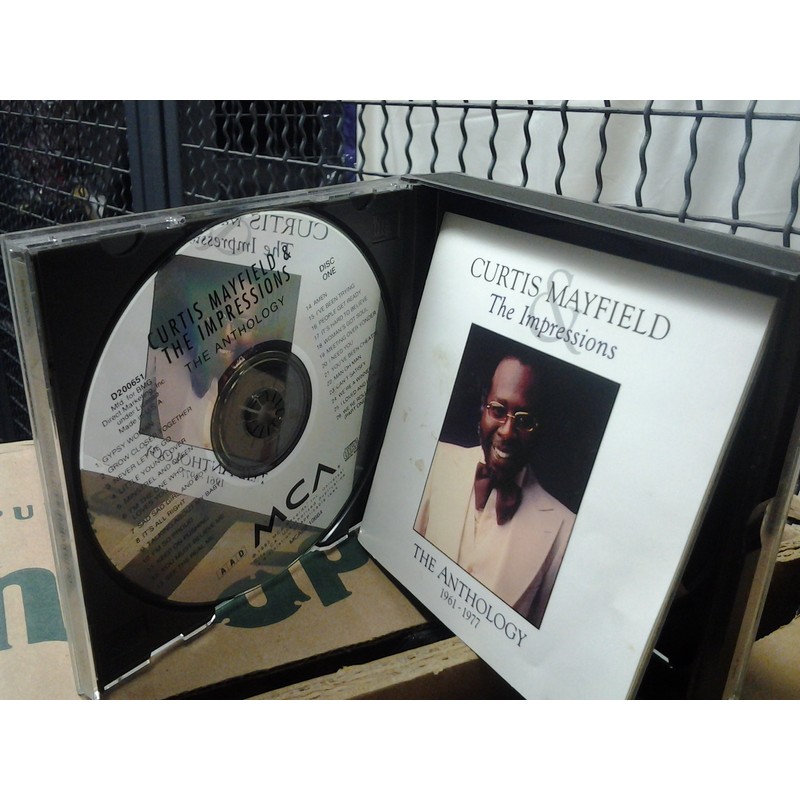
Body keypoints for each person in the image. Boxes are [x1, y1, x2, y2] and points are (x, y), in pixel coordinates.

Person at [415, 352, 576, 628]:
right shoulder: (432, 462)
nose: (507, 432)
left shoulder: (564, 529)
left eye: (524, 421)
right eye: (498, 410)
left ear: (540, 429)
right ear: (483, 408)